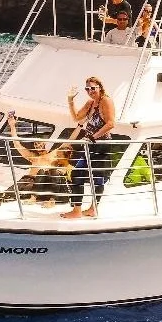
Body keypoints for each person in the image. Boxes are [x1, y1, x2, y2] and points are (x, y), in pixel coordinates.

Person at [63, 76, 117, 218]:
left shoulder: (106, 100)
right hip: (90, 145)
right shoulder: (90, 103)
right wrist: (70, 100)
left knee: (97, 178)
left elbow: (111, 124)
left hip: (101, 145)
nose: (90, 91)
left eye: (93, 88)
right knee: (77, 174)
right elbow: (76, 117)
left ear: (100, 87)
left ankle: (91, 209)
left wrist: (93, 137)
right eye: (87, 89)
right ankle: (78, 210)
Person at [5, 114, 74, 207]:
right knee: (22, 183)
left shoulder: (54, 154)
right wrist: (12, 126)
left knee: (23, 187)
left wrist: (80, 126)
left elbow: (70, 140)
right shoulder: (33, 157)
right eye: (35, 144)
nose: (38, 145)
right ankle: (1, 195)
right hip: (27, 180)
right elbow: (17, 145)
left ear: (44, 143)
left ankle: (3, 195)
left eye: (39, 143)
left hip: (41, 183)